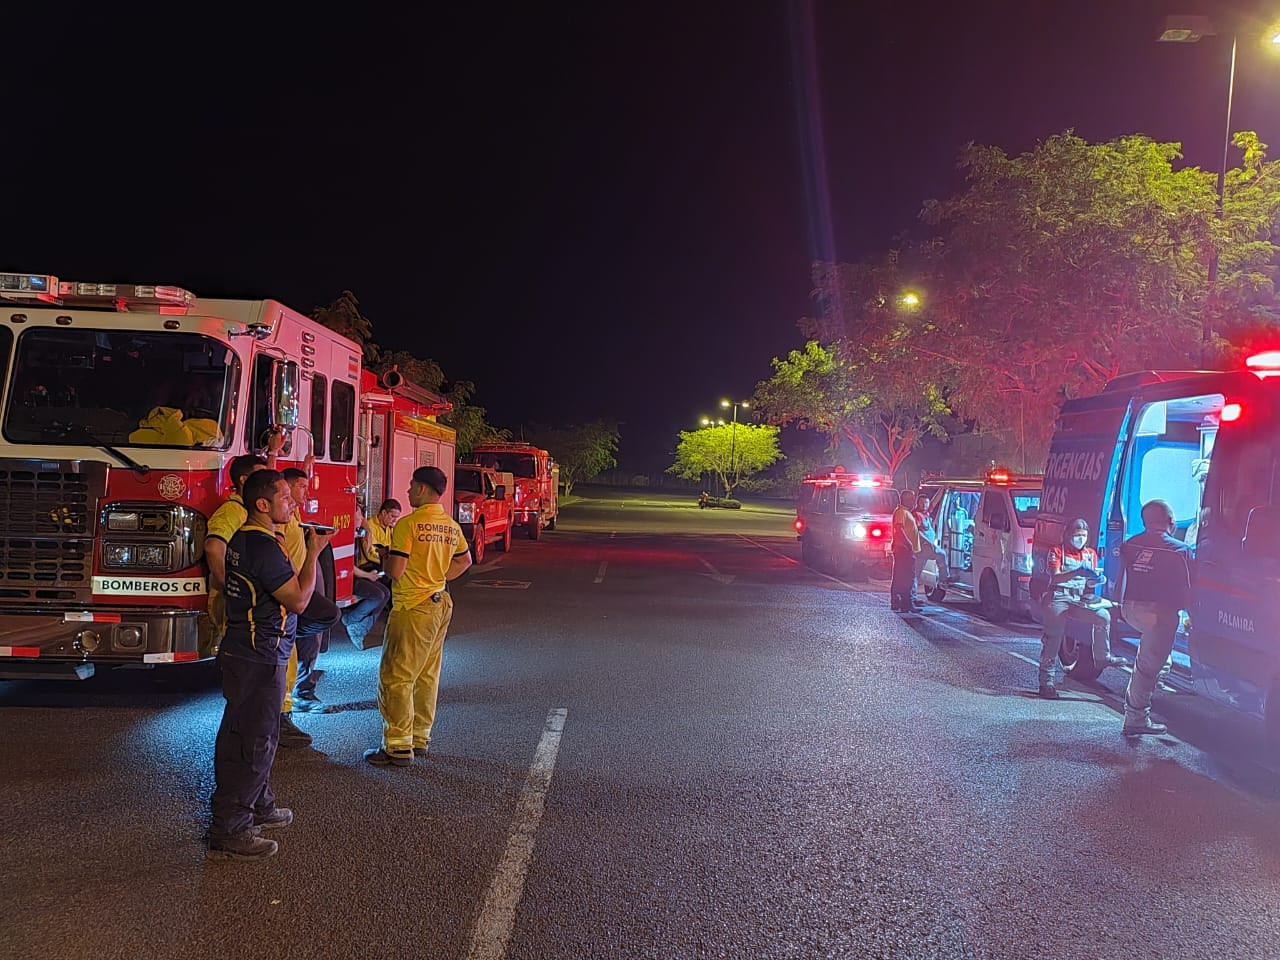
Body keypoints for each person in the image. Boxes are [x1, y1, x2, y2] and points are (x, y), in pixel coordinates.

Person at [208, 469, 333, 861]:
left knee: (246, 733)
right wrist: (314, 552)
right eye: (285, 497)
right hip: (260, 654)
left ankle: (259, 804)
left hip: (247, 649)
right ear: (262, 504)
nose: (293, 502)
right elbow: (297, 599)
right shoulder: (262, 547)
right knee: (253, 740)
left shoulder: (244, 540)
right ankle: (232, 828)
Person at [365, 467, 472, 767]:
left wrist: (384, 557)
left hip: (412, 608)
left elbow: (396, 571)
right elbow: (465, 560)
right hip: (440, 603)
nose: (409, 491)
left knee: (397, 676)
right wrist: (437, 579)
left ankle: (397, 746)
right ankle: (419, 736)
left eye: (412, 486)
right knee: (427, 674)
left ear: (423, 489)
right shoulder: (451, 526)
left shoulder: (408, 525)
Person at [1119, 500, 1194, 737]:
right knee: (1147, 668)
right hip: (1159, 614)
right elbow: (1189, 586)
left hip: (1130, 608)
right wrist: (1193, 615)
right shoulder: (1180, 550)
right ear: (1171, 522)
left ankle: (1154, 683)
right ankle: (1136, 719)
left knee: (1155, 656)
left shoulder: (1129, 544)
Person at [280, 466, 342, 713]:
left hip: (301, 585)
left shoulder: (293, 515)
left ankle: (302, 691)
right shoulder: (279, 517)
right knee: (306, 633)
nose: (307, 493)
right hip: (290, 588)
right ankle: (296, 698)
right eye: (302, 487)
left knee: (312, 636)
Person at [1036, 518, 1120, 699]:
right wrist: (1077, 572)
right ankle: (1046, 682)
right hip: (1058, 596)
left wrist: (1096, 579)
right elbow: (1055, 578)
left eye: (1083, 535)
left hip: (1079, 598)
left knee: (1103, 616)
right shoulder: (1057, 552)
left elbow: (1090, 581)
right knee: (1053, 639)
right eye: (1076, 535)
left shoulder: (1090, 554)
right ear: (1067, 534)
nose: (1080, 539)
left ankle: (1102, 657)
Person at [343, 502, 391, 649]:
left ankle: (361, 627)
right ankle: (351, 620)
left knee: (386, 593)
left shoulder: (359, 533)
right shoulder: (345, 535)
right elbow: (347, 565)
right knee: (378, 595)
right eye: (359, 516)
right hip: (349, 578)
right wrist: (368, 576)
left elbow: (368, 547)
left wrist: (367, 530)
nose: (362, 519)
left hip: (360, 573)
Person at [890, 490, 923, 613]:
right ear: (906, 500)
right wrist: (908, 544)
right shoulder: (901, 512)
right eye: (912, 499)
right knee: (906, 577)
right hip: (904, 550)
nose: (914, 502)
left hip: (906, 550)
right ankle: (906, 603)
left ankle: (901, 602)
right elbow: (899, 528)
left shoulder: (906, 512)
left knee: (902, 577)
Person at [913, 494, 949, 600]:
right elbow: (918, 532)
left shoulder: (926, 513)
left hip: (926, 548)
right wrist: (929, 543)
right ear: (918, 503)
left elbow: (934, 502)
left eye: (926, 503)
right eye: (922, 502)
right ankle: (944, 579)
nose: (924, 505)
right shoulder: (917, 515)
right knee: (941, 554)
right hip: (924, 548)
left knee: (916, 574)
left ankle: (912, 598)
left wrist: (943, 488)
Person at [357, 498, 401, 573]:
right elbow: (369, 554)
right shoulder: (369, 527)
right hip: (368, 566)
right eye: (393, 516)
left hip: (384, 564)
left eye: (396, 518)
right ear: (384, 513)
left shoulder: (390, 528)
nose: (395, 520)